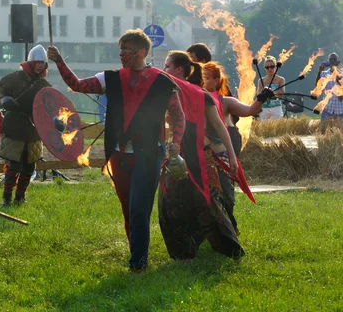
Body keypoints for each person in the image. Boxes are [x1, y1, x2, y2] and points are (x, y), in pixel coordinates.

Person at [47, 29, 186, 272]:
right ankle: (137, 253)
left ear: (141, 52)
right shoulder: (109, 78)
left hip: (150, 153)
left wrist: (176, 141)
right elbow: (77, 85)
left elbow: (178, 117)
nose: (121, 54)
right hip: (120, 154)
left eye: (127, 50)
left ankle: (137, 263)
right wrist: (59, 61)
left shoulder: (163, 81)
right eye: (120, 50)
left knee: (139, 208)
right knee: (127, 208)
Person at [161, 51, 245, 260]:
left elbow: (220, 126)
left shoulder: (201, 95)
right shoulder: (164, 93)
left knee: (209, 206)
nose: (164, 71)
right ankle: (183, 251)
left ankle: (230, 249)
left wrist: (232, 158)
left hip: (200, 157)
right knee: (170, 204)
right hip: (176, 157)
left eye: (167, 66)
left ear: (179, 69)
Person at [203, 61, 268, 234]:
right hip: (201, 153)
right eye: (201, 78)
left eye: (207, 78)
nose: (203, 81)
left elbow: (249, 110)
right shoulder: (193, 98)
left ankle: (229, 229)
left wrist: (260, 99)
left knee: (226, 195)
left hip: (221, 153)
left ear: (217, 80)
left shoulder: (226, 102)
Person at [0, 44, 52, 206]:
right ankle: (6, 198)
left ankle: (20, 198)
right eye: (37, 62)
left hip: (33, 129)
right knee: (14, 165)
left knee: (30, 166)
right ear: (31, 62)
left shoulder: (44, 85)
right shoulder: (14, 78)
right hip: (14, 126)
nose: (40, 65)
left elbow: (52, 105)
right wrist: (3, 100)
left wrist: (58, 119)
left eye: (43, 63)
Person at [315, 52, 343, 131]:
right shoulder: (324, 74)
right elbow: (317, 87)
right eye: (330, 59)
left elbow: (341, 95)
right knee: (324, 131)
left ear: (338, 62)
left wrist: (338, 81)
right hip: (327, 108)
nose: (332, 61)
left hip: (340, 109)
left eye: (334, 59)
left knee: (340, 132)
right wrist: (319, 71)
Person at [256, 55, 285, 121]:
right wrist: (264, 93)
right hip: (264, 108)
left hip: (276, 107)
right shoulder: (261, 80)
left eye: (272, 67)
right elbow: (258, 95)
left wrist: (272, 92)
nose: (269, 69)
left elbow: (282, 93)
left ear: (275, 66)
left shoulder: (280, 79)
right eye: (267, 67)